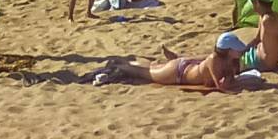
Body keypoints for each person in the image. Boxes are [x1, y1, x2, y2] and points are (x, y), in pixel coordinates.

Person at [92, 34, 251, 90]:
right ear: (228, 50)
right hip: (177, 74)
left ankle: (122, 60)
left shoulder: (228, 60)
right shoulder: (214, 59)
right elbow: (221, 86)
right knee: (144, 73)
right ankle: (116, 65)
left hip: (185, 66)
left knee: (151, 67)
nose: (240, 52)